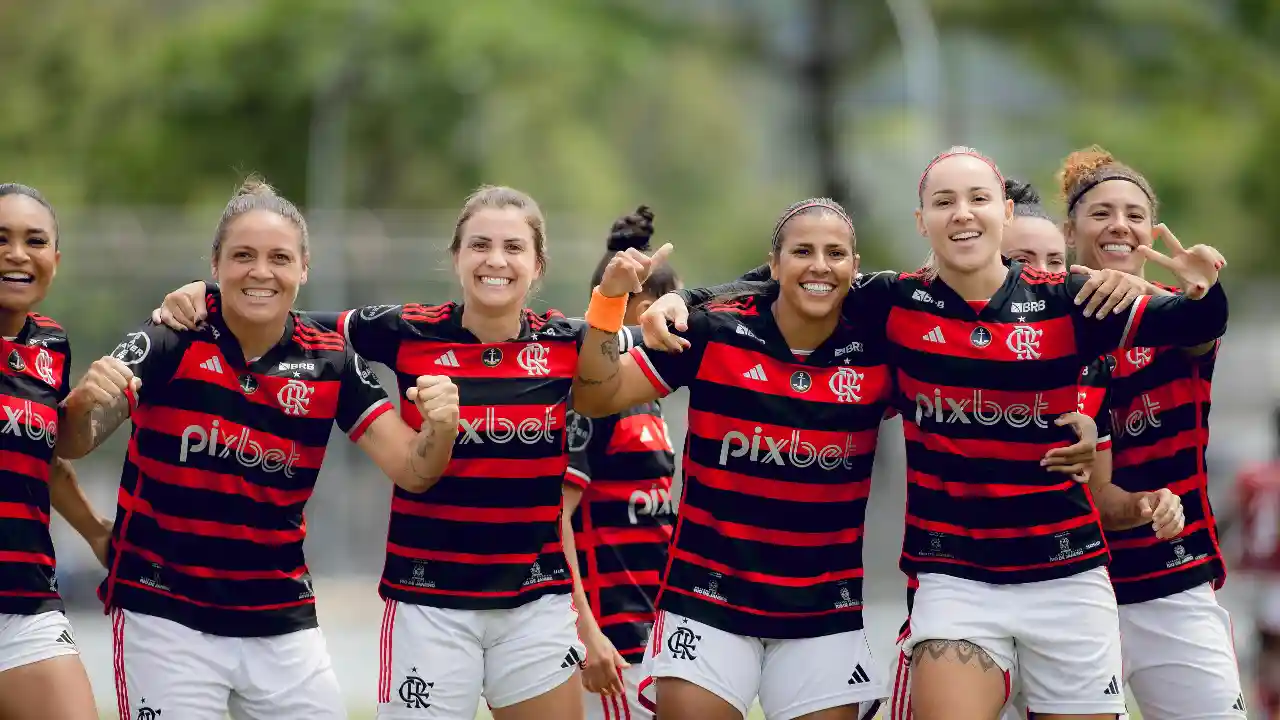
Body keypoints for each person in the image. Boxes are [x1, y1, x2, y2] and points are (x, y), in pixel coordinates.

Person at [640, 147, 1230, 719]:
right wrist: (684, 300)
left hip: (1069, 578)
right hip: (955, 580)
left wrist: (1200, 286)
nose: (963, 213)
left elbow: (1196, 323)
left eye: (978, 198)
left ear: (1005, 212)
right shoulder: (893, 300)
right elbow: (793, 283)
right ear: (922, 221)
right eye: (944, 201)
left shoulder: (1071, 302)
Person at [151, 185, 648, 720]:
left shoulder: (565, 340)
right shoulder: (405, 328)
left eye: (513, 247)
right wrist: (203, 295)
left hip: (535, 605)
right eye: (479, 245)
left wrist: (663, 304)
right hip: (427, 604)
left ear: (537, 264)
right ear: (457, 257)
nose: (495, 260)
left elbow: (660, 336)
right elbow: (285, 318)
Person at [57, 177, 460, 720]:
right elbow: (75, 442)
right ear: (215, 265)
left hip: (280, 618)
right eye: (243, 255)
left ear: (304, 269)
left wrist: (441, 428)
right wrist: (82, 402)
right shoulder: (169, 338)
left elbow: (413, 470)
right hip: (163, 611)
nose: (261, 271)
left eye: (279, 257)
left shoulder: (333, 361)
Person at [576, 197, 917, 720]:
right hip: (704, 601)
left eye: (836, 253)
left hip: (823, 611)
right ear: (774, 265)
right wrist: (607, 302)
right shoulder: (715, 329)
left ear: (855, 267)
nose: (820, 266)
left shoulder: (880, 351)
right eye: (803, 251)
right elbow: (596, 396)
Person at [888, 178, 1186, 720]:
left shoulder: (1089, 359)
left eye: (1056, 258)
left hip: (1064, 581)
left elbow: (1100, 496)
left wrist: (1147, 501)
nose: (1045, 272)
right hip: (956, 586)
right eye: (1027, 259)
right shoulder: (918, 323)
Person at [1056, 146, 1245, 718]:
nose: (1120, 225)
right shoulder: (1041, 325)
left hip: (1171, 580)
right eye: (1102, 213)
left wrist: (1198, 293)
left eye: (1135, 214)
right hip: (1063, 583)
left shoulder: (1176, 316)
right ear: (1070, 232)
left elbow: (1201, 329)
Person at [564, 206, 680, 720]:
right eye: (662, 304)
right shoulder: (593, 402)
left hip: (652, 632)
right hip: (610, 642)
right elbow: (553, 517)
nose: (675, 316)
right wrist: (587, 631)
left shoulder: (648, 397)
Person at [0, 183, 102, 719]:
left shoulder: (50, 345)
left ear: (54, 260)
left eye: (34, 240)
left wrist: (97, 533)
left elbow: (41, 456)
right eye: (1, 239)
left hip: (26, 599)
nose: (17, 254)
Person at [1235, 405, 1280, 718]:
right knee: (1270, 656)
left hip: (1248, 579)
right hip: (1273, 579)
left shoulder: (1253, 476)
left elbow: (1225, 523)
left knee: (1263, 655)